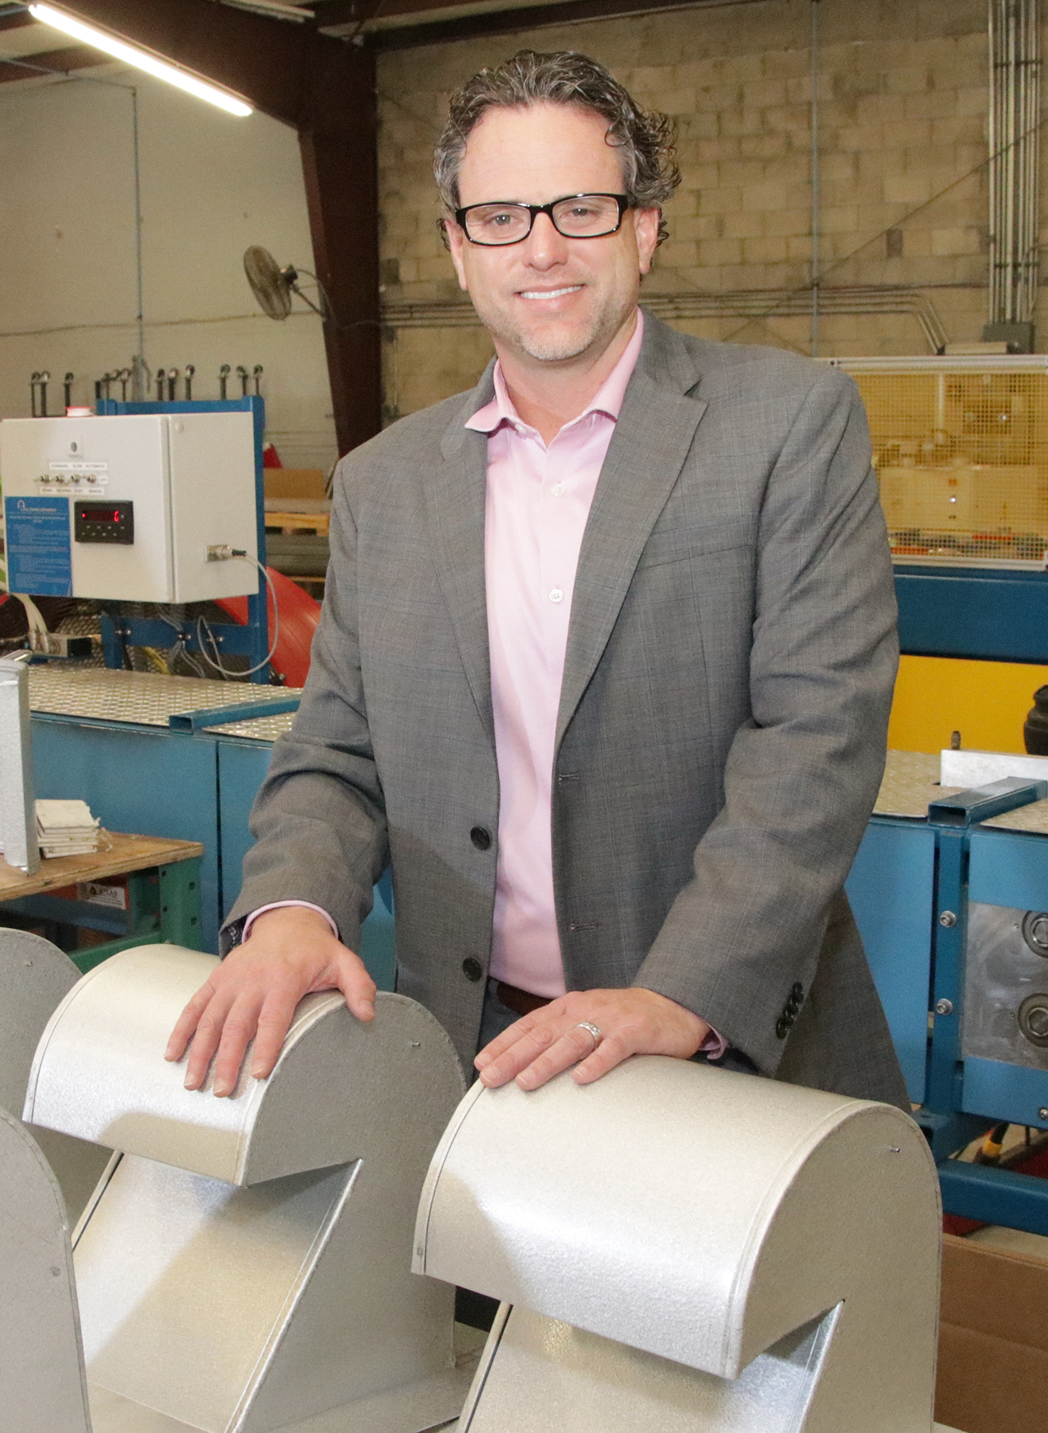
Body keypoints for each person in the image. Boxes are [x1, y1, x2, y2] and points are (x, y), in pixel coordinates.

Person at [169, 50, 904, 1108]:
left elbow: (814, 740)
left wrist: (679, 992)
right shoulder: (382, 485)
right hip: (475, 1056)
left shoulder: (787, 426)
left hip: (717, 1056)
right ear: (458, 251)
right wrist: (292, 911)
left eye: (580, 209)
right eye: (501, 217)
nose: (542, 248)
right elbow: (336, 749)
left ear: (642, 229)